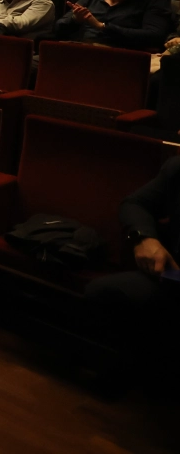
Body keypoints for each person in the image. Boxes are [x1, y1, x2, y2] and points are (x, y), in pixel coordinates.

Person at [84, 155, 180, 362]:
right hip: (175, 275)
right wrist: (144, 238)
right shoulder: (177, 168)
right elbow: (134, 204)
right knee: (103, 292)